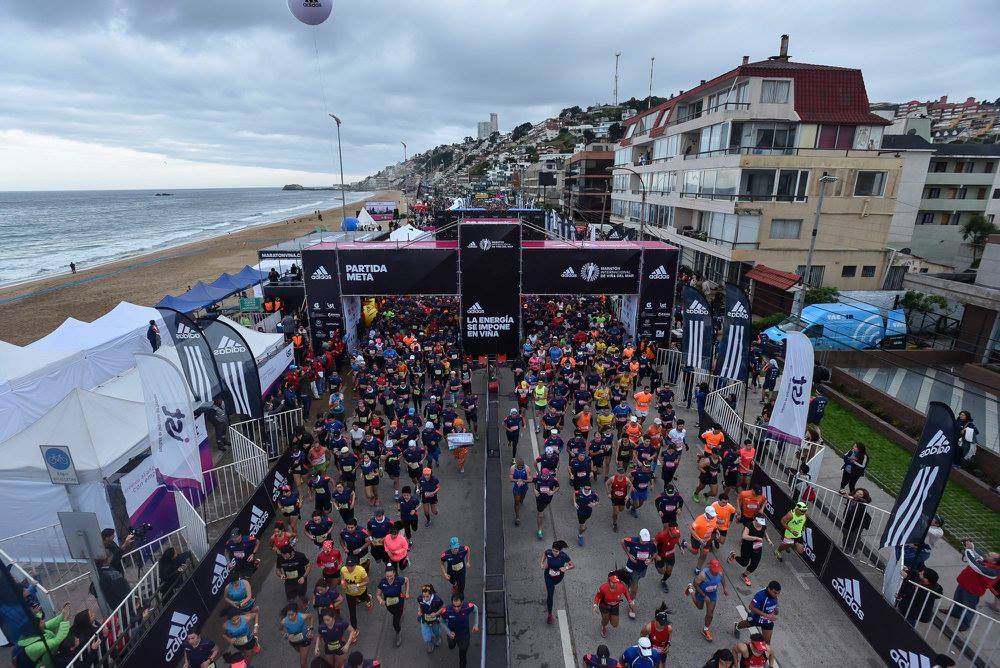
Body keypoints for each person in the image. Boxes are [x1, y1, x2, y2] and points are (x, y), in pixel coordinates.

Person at [948, 540, 999, 632]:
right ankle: (954, 613)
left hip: (973, 591)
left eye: (989, 555)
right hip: (964, 583)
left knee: (969, 608)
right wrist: (971, 547)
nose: (986, 554)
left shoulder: (993, 572)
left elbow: (975, 565)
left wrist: (968, 550)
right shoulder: (986, 560)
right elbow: (978, 555)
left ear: (994, 562)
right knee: (957, 600)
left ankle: (965, 623)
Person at [15, 603, 72, 668]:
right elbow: (57, 640)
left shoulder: (32, 632)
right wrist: (65, 620)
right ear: (36, 628)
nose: (44, 621)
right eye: (41, 622)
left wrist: (63, 614)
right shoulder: (34, 647)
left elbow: (50, 624)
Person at [684, 558, 728, 641]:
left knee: (710, 614)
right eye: (714, 570)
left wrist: (724, 588)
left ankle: (705, 629)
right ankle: (690, 589)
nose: (716, 572)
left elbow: (722, 579)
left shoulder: (720, 572)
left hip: (712, 594)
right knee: (699, 607)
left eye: (717, 570)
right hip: (701, 592)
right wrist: (704, 595)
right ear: (710, 568)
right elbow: (695, 584)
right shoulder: (703, 575)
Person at [728, 516, 772, 588]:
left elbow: (764, 532)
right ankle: (733, 556)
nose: (761, 524)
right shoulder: (749, 525)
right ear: (756, 520)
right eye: (760, 523)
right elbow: (744, 536)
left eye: (762, 523)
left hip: (757, 547)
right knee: (744, 563)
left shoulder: (763, 526)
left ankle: (744, 575)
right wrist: (756, 538)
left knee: (754, 564)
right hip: (747, 546)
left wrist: (768, 540)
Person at [440, 593, 479, 668]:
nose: (456, 608)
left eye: (458, 606)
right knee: (451, 646)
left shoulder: (467, 607)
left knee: (462, 655)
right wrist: (448, 632)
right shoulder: (447, 611)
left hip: (464, 635)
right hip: (452, 635)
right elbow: (441, 621)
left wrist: (476, 624)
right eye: (454, 606)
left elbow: (476, 608)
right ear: (452, 603)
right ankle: (452, 644)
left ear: (462, 602)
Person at [541, 540, 574, 624]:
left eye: (556, 551)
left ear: (560, 551)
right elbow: (544, 554)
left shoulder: (563, 556)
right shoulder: (549, 552)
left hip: (558, 577)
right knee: (550, 595)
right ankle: (549, 615)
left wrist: (566, 568)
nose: (554, 553)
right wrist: (542, 563)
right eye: (553, 550)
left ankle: (552, 586)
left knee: (553, 585)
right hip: (548, 576)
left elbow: (572, 565)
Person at [594, 572, 636, 639]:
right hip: (604, 606)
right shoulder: (603, 588)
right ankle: (603, 626)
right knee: (605, 621)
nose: (615, 584)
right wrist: (595, 605)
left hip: (615, 606)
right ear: (608, 581)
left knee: (615, 624)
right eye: (613, 582)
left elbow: (626, 592)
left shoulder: (621, 586)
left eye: (616, 582)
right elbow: (597, 596)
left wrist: (630, 601)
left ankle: (608, 617)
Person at [376, 564, 410, 647]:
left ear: (394, 573)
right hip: (389, 604)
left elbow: (407, 580)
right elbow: (378, 594)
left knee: (395, 622)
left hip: (399, 603)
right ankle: (399, 616)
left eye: (391, 576)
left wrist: (407, 593)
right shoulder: (382, 582)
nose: (389, 578)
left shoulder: (399, 580)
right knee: (394, 614)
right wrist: (381, 601)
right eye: (387, 576)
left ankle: (398, 632)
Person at [621, 529, 657, 607]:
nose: (645, 542)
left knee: (635, 580)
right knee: (634, 589)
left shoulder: (650, 543)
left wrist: (651, 559)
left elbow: (655, 552)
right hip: (633, 567)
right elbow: (622, 541)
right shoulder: (633, 541)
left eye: (646, 540)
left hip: (643, 568)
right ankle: (631, 603)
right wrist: (628, 554)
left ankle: (626, 579)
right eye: (643, 540)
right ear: (639, 537)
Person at [340, 557, 372, 630]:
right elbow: (342, 579)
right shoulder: (343, 569)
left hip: (361, 591)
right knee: (352, 612)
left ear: (355, 565)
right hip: (349, 593)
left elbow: (367, 581)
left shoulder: (361, 571)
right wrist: (343, 584)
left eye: (352, 566)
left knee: (364, 599)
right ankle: (354, 629)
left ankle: (368, 599)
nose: (349, 568)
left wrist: (357, 585)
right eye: (348, 566)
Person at [279, 603, 313, 668]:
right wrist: (286, 635)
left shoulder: (302, 616)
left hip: (305, 639)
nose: (290, 617)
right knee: (300, 652)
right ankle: (303, 655)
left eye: (292, 615)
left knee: (302, 663)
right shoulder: (284, 621)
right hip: (294, 642)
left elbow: (311, 616)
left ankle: (304, 656)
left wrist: (311, 628)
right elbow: (280, 630)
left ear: (296, 613)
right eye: (288, 615)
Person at [840, 488, 872, 555]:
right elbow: (843, 493)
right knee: (845, 533)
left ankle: (853, 552)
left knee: (854, 537)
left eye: (861, 494)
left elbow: (864, 500)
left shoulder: (862, 502)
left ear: (863, 496)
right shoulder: (850, 498)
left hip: (858, 523)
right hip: (849, 520)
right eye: (857, 492)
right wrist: (842, 492)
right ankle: (845, 547)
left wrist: (851, 497)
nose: (858, 494)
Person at [417, 583, 447, 654]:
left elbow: (443, 608)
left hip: (435, 620)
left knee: (436, 632)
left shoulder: (437, 600)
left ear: (431, 594)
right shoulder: (420, 598)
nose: (425, 598)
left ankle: (438, 637)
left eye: (427, 596)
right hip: (424, 619)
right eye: (424, 596)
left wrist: (436, 614)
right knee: (427, 637)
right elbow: (420, 605)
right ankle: (430, 643)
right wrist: (419, 611)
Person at [690, 505, 719, 571]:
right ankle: (685, 544)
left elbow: (714, 526)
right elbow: (692, 530)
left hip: (707, 540)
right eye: (711, 515)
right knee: (694, 552)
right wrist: (699, 539)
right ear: (707, 514)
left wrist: (717, 531)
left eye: (713, 515)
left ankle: (698, 569)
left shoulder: (714, 518)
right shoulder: (699, 520)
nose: (713, 516)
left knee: (704, 554)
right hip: (696, 539)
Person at [534, 467, 560, 539]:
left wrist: (553, 492)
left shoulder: (553, 479)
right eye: (542, 475)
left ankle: (542, 509)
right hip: (539, 498)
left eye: (544, 476)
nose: (543, 477)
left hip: (548, 498)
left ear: (548, 475)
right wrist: (534, 490)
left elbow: (558, 487)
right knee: (540, 514)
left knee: (545, 506)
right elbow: (533, 482)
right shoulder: (537, 477)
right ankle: (539, 530)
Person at [606, 467, 633, 533]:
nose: (621, 475)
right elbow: (607, 483)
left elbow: (631, 486)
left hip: (622, 498)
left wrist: (628, 495)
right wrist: (608, 493)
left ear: (624, 474)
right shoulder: (613, 478)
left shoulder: (626, 480)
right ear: (617, 473)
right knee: (616, 512)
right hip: (614, 498)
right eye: (619, 473)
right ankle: (614, 523)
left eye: (622, 473)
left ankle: (628, 502)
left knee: (621, 509)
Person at [575, 482, 600, 546]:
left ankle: (582, 525)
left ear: (590, 488)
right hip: (580, 512)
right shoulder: (579, 492)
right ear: (583, 487)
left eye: (588, 489)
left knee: (584, 521)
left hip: (588, 512)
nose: (587, 490)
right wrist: (575, 502)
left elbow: (597, 500)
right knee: (583, 527)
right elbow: (574, 494)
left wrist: (594, 504)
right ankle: (580, 535)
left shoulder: (593, 494)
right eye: (585, 489)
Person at [510, 458, 531, 527]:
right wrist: (517, 481)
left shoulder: (527, 468)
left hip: (524, 487)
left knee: (521, 499)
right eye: (519, 467)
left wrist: (523, 481)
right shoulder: (512, 468)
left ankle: (521, 500)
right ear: (516, 464)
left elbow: (530, 479)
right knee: (516, 501)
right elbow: (511, 479)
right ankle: (517, 517)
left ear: (523, 465)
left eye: (521, 467)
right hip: (516, 488)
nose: (520, 468)